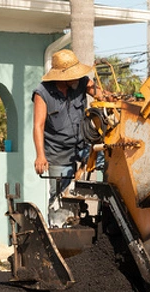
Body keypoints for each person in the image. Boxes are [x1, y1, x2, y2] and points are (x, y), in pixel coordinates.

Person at [32, 49, 103, 228]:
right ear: (61, 77)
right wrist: (40, 155)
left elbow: (100, 94)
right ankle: (60, 232)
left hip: (83, 144)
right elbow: (38, 126)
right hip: (57, 152)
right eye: (73, 74)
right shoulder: (42, 93)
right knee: (60, 196)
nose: (77, 77)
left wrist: (111, 98)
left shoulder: (81, 83)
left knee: (109, 158)